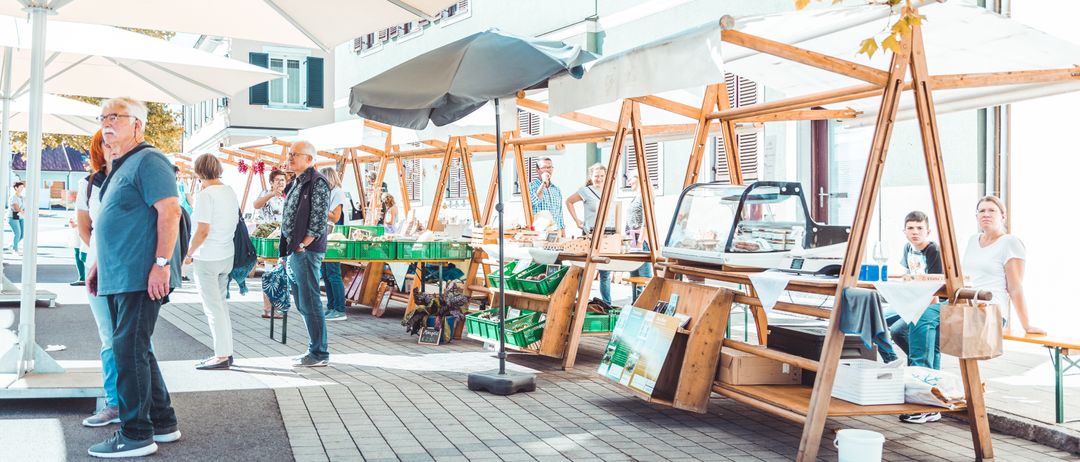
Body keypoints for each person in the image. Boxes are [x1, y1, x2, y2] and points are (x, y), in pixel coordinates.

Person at [86, 97, 182, 458]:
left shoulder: (150, 159)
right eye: (102, 117)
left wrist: (161, 263)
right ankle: (164, 422)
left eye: (115, 117)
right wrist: (98, 265)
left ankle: (136, 434)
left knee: (128, 350)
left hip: (141, 275)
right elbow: (115, 221)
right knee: (136, 348)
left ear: (137, 124)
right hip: (120, 274)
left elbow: (169, 212)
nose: (106, 124)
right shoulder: (120, 165)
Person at [76, 130, 122, 428]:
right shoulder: (89, 184)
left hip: (130, 273)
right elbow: (85, 228)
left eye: (116, 142)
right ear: (99, 149)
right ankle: (114, 403)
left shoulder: (135, 178)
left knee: (137, 338)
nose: (112, 148)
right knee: (108, 337)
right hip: (97, 271)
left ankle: (148, 403)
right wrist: (100, 258)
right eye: (106, 143)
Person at [884, 211, 945, 425]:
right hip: (916, 301)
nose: (915, 232)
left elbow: (937, 289)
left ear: (928, 231)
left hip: (934, 303)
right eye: (911, 228)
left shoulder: (933, 250)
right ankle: (913, 367)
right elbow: (907, 276)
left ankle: (922, 379)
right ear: (904, 231)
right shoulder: (908, 248)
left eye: (919, 228)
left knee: (907, 331)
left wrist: (913, 311)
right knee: (886, 323)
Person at [184, 154, 240, 370]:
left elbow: (202, 230)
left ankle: (221, 355)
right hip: (226, 253)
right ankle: (226, 351)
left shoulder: (206, 195)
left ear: (198, 172)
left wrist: (188, 254)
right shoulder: (229, 191)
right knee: (221, 305)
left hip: (207, 257)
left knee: (212, 308)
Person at [281, 140, 331, 367]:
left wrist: (303, 243)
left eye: (295, 155)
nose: (290, 158)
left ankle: (319, 353)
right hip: (296, 250)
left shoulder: (317, 181)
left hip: (306, 251)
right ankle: (314, 348)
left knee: (310, 300)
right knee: (302, 301)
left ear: (309, 159)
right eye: (290, 154)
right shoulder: (298, 181)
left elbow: (320, 218)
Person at [963, 195, 1044, 335]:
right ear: (976, 216)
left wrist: (1027, 326)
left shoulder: (1010, 242)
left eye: (992, 210)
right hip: (966, 306)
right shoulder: (972, 240)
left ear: (1003, 216)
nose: (986, 214)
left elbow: (1015, 288)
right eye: (981, 211)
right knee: (925, 318)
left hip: (991, 310)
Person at [566, 163, 616, 304]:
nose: (599, 179)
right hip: (590, 235)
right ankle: (583, 300)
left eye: (601, 176)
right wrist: (577, 221)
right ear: (591, 177)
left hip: (607, 235)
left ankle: (607, 304)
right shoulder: (585, 191)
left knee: (605, 271)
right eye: (596, 176)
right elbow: (569, 201)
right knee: (586, 269)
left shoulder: (610, 191)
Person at [320, 167, 347, 322]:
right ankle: (331, 306)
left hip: (335, 239)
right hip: (326, 237)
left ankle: (339, 309)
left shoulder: (337, 192)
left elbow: (335, 217)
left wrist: (318, 208)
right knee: (325, 273)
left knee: (333, 273)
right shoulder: (330, 193)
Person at [625, 173, 653, 301]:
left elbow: (647, 220)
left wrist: (640, 240)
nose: (628, 181)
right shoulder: (636, 196)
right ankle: (635, 304)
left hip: (639, 239)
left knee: (644, 276)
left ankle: (646, 304)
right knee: (634, 275)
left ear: (639, 177)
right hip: (632, 238)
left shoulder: (645, 195)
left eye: (630, 177)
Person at [528, 157, 565, 232]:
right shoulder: (530, 186)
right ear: (537, 170)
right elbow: (533, 202)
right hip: (539, 233)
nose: (547, 170)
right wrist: (544, 183)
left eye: (550, 167)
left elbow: (559, 213)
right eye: (544, 167)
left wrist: (563, 231)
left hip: (555, 233)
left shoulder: (556, 189)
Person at [7, 181, 25, 255]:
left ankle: (12, 245)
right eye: (20, 187)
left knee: (22, 234)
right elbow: (17, 208)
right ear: (16, 188)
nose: (22, 189)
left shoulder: (21, 197)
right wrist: (24, 212)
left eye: (23, 187)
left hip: (20, 216)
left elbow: (24, 207)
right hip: (13, 217)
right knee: (17, 234)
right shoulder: (13, 197)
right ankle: (15, 250)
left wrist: (23, 211)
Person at [70, 217, 86, 286]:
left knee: (84, 254)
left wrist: (76, 224)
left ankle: (86, 278)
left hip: (84, 232)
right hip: (76, 233)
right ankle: (82, 278)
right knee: (77, 253)